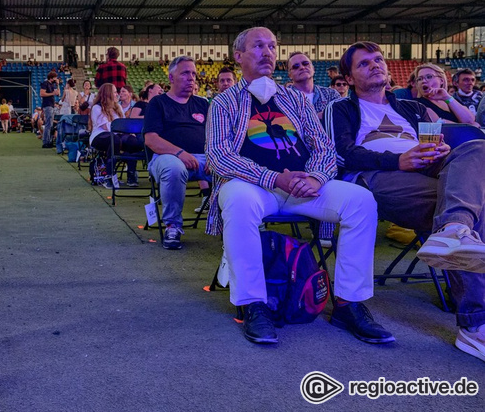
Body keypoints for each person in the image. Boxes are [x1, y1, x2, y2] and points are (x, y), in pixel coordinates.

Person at [207, 28, 390, 346]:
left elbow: (323, 147)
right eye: (258, 46)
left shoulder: (294, 99)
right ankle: (253, 304)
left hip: (303, 186)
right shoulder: (224, 102)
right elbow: (220, 156)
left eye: (273, 46)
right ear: (238, 56)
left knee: (360, 201)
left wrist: (316, 178)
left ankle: (348, 303)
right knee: (236, 198)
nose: (267, 51)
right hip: (254, 186)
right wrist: (274, 178)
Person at [326, 40, 485, 361]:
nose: (375, 65)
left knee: (476, 148)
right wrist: (397, 161)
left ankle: (454, 231)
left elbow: (456, 131)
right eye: (364, 63)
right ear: (350, 76)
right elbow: (341, 154)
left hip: (428, 167)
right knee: (471, 205)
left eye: (378, 59)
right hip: (377, 176)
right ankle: (475, 323)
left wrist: (438, 150)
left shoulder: (409, 107)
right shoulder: (340, 108)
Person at [143, 57, 211, 249]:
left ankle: (229, 224)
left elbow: (214, 136)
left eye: (193, 74)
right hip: (167, 158)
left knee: (231, 168)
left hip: (203, 158)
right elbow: (151, 140)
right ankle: (173, 225)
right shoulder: (158, 103)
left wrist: (214, 157)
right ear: (171, 78)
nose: (191, 78)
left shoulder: (202, 104)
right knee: (174, 168)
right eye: (185, 73)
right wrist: (180, 153)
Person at [88, 83, 127, 189]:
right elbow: (107, 127)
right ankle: (109, 176)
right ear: (108, 94)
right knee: (114, 140)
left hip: (116, 135)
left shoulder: (117, 106)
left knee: (132, 141)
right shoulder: (97, 108)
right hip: (99, 136)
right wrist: (119, 127)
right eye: (114, 92)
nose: (117, 94)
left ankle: (132, 175)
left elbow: (123, 124)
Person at [287, 52, 342, 121]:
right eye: (296, 66)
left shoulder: (331, 95)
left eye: (305, 63)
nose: (302, 67)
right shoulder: (282, 98)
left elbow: (342, 120)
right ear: (289, 75)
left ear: (313, 69)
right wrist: (317, 116)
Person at [39, 70, 61, 149]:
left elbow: (58, 93)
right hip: (47, 105)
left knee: (50, 124)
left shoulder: (52, 85)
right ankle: (46, 141)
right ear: (52, 77)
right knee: (48, 124)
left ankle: (48, 140)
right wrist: (52, 93)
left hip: (51, 105)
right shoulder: (45, 83)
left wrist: (58, 85)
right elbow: (42, 93)